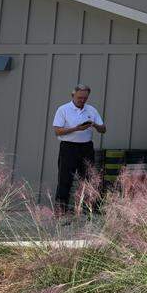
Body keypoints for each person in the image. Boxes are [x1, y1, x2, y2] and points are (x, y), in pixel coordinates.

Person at [51, 84, 107, 212]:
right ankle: (61, 210)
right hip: (68, 147)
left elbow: (103, 129)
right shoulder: (63, 109)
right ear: (73, 96)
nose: (82, 100)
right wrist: (76, 128)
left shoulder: (91, 110)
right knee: (65, 179)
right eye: (79, 98)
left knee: (88, 179)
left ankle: (89, 210)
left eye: (85, 98)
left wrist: (95, 125)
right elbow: (57, 131)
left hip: (86, 147)